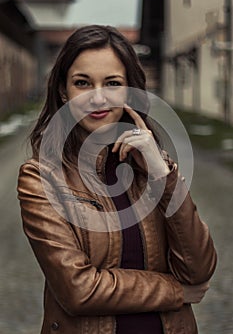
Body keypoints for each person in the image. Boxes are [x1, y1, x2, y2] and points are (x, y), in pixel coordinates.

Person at [17, 25, 217, 334]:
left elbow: (198, 269)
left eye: (112, 83)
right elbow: (79, 290)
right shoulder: (41, 178)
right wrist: (175, 292)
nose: (98, 98)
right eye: (82, 83)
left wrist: (162, 175)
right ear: (63, 90)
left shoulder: (153, 167)